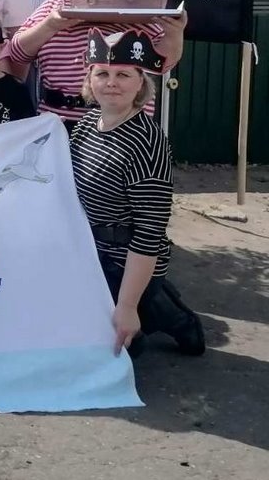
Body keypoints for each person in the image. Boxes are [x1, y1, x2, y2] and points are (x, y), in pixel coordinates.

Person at [70, 30, 205, 357]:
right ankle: (154, 303)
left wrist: (128, 306)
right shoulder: (86, 125)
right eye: (102, 73)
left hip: (127, 256)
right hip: (92, 251)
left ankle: (170, 315)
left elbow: (149, 230)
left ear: (141, 82)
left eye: (123, 75)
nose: (111, 83)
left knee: (117, 347)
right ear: (90, 79)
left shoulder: (147, 142)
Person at [2, 0, 187, 129]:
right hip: (60, 122)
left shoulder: (131, 4)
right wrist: (50, 25)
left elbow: (162, 63)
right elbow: (17, 53)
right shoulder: (52, 6)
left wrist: (174, 33)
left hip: (122, 122)